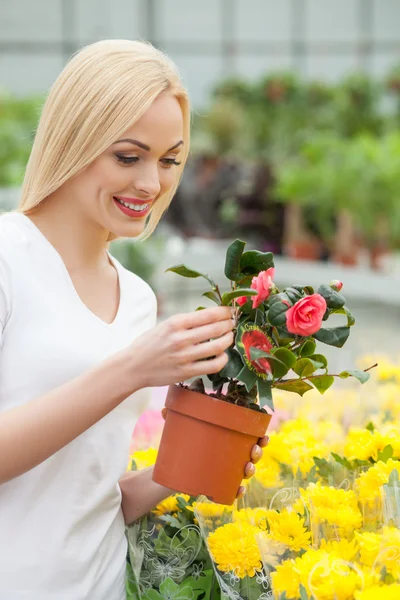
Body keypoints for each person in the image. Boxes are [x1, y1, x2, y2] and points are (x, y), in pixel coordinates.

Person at [0, 40, 268, 600]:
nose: (152, 183)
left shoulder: (139, 298)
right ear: (74, 140)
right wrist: (131, 370)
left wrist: (178, 471)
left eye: (170, 160)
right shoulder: (7, 258)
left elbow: (87, 495)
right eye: (128, 156)